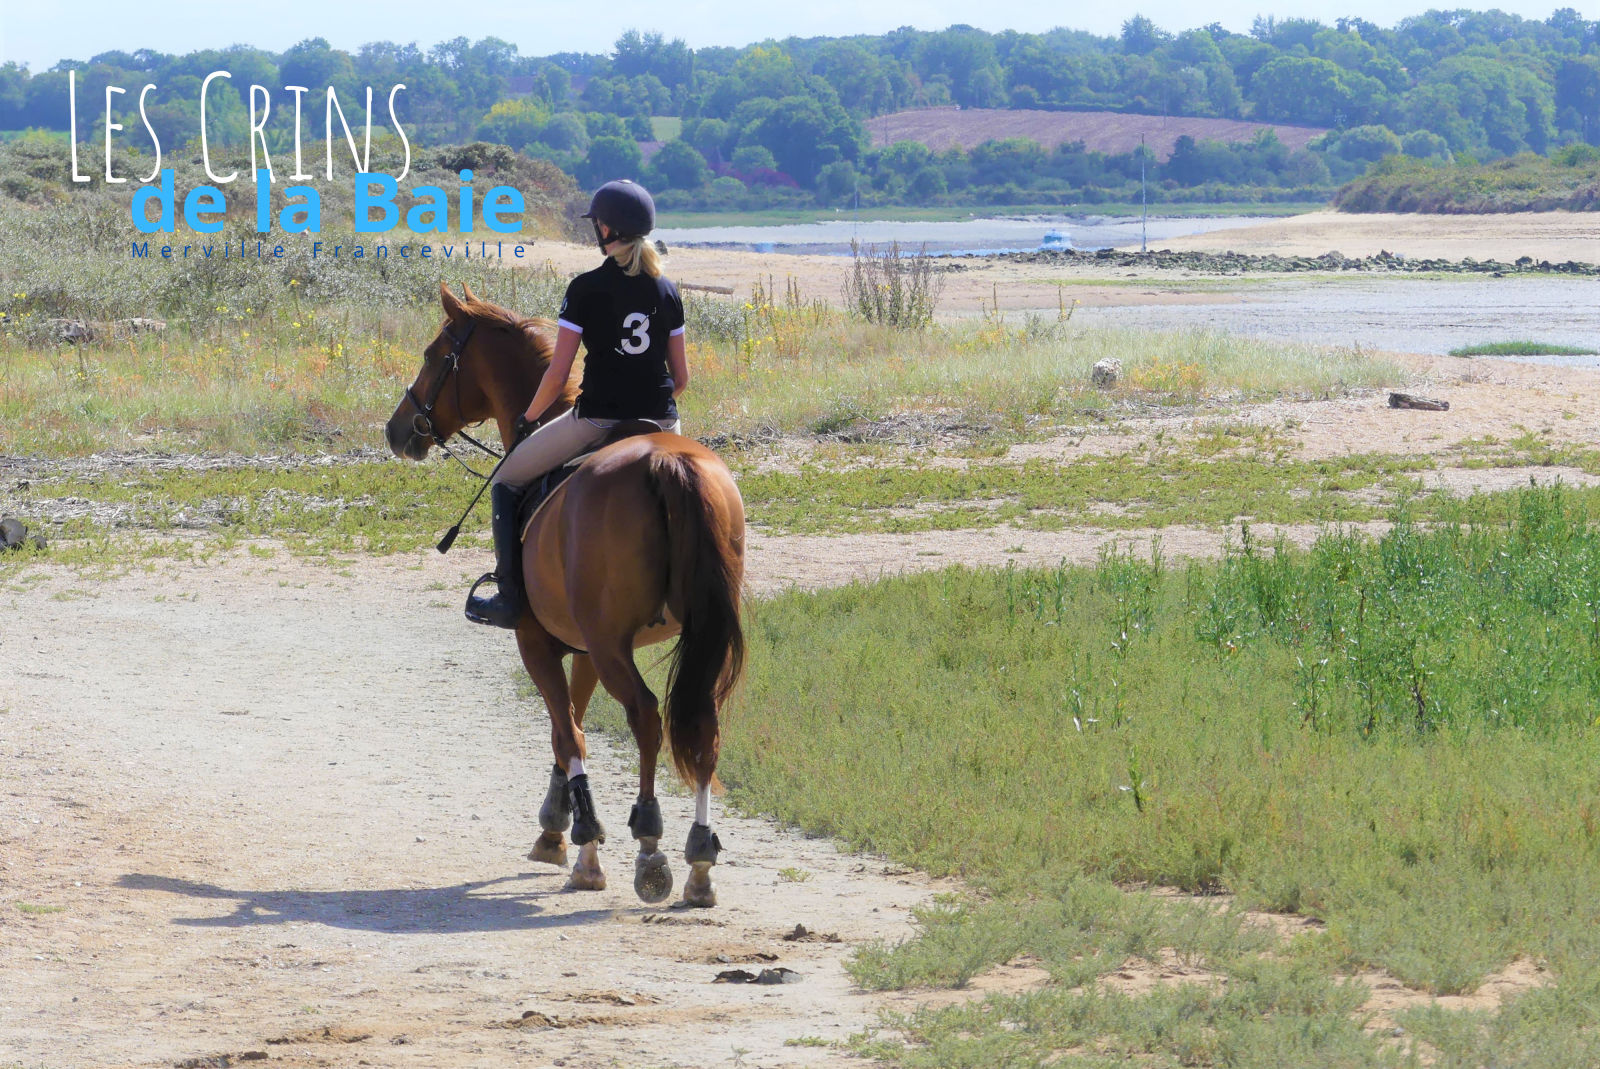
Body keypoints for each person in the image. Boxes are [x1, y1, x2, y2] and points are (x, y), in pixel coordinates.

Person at [466, 179, 690, 628]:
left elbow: (557, 373)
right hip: (664, 422)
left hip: (597, 420)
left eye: (598, 224)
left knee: (506, 480)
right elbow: (680, 379)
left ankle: (509, 595)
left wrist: (528, 418)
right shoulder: (668, 291)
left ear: (607, 229)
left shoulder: (585, 288)